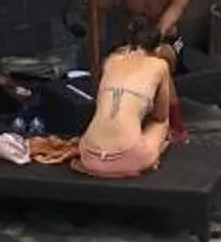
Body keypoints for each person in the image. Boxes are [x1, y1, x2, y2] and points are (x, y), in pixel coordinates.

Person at [74, 40, 178, 178]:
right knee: (160, 122)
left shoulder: (110, 61)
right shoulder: (160, 65)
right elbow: (161, 115)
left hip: (88, 157)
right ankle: (157, 148)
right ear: (157, 50)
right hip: (130, 158)